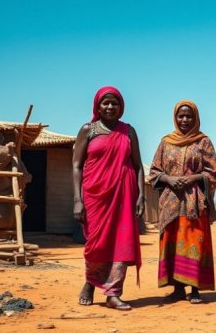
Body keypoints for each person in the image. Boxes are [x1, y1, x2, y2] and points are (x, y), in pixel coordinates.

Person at [72, 86, 144, 311]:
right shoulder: (88, 130)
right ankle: (91, 282)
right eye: (106, 103)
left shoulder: (128, 131)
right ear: (98, 106)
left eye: (115, 103)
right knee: (96, 243)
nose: (110, 107)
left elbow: (138, 165)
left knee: (120, 243)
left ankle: (113, 293)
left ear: (121, 106)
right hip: (95, 195)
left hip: (124, 194)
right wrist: (77, 198)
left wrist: (141, 196)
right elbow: (76, 165)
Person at [149, 100, 216, 304]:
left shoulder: (203, 141)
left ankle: (196, 289)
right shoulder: (166, 142)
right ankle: (178, 289)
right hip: (170, 201)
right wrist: (169, 179)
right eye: (181, 116)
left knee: (194, 242)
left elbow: (214, 171)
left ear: (196, 118)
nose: (185, 120)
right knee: (172, 242)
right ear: (175, 117)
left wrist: (194, 178)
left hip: (194, 203)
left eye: (189, 116)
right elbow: (154, 171)